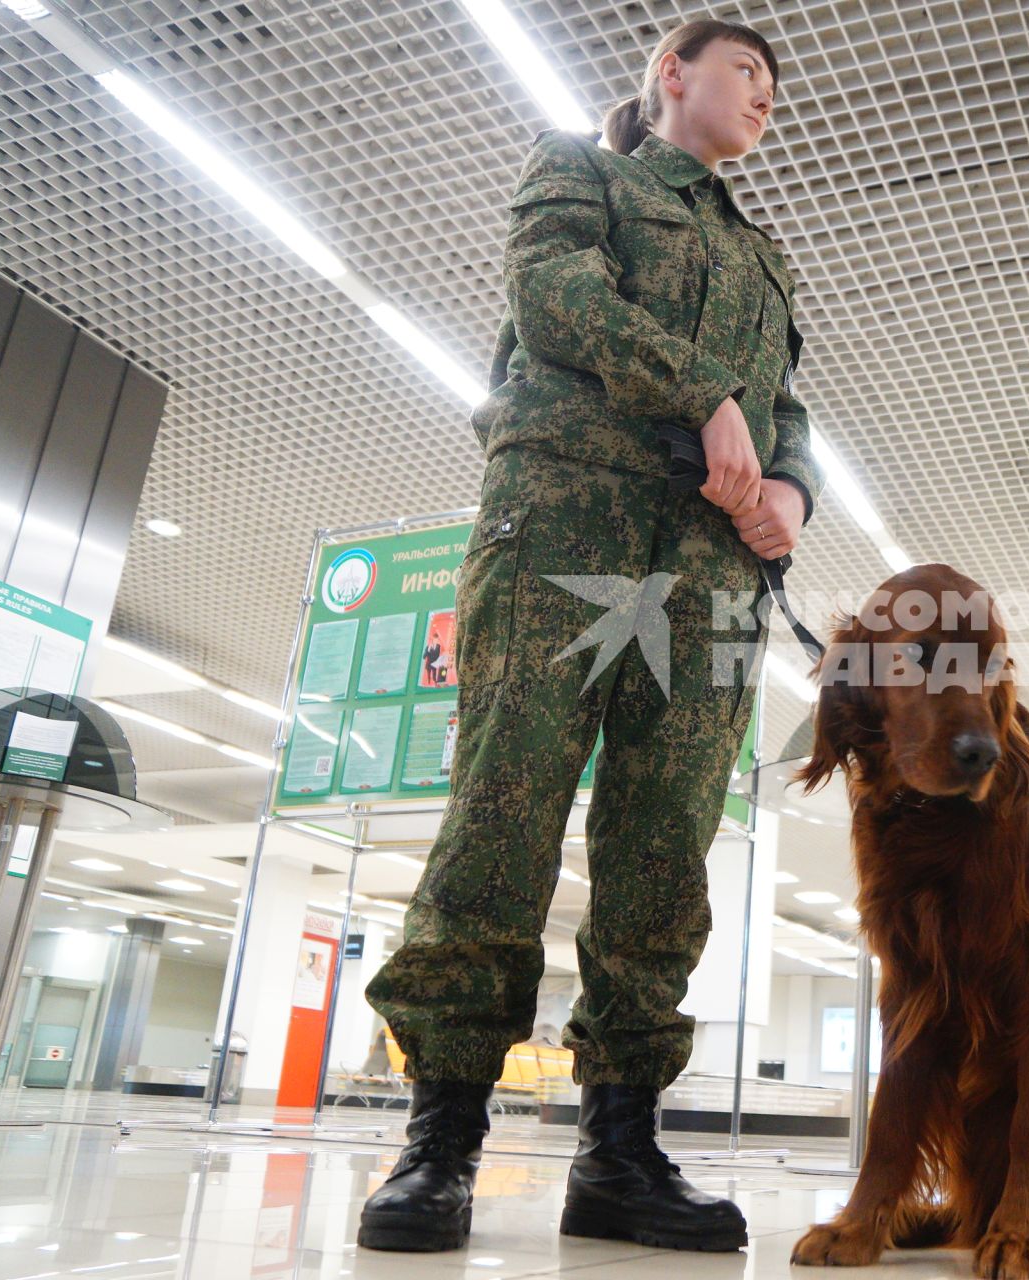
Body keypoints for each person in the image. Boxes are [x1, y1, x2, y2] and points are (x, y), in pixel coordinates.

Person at [356, 17, 821, 1256]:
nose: (767, 95)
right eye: (746, 72)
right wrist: (700, 393)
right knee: (504, 809)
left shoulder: (765, 258)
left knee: (668, 843)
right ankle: (441, 1138)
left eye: (775, 84)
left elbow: (789, 408)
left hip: (715, 567)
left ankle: (619, 1147)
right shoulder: (582, 169)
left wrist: (789, 489)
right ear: (672, 74)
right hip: (567, 518)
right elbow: (553, 296)